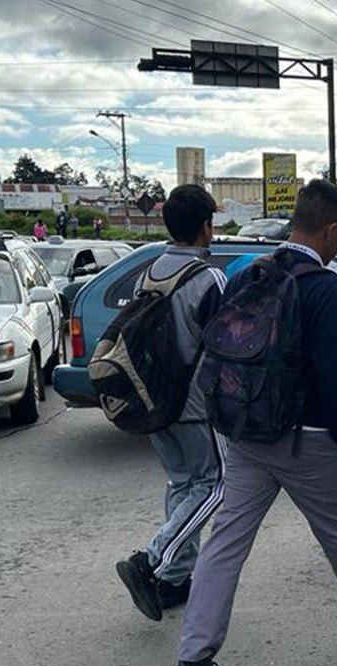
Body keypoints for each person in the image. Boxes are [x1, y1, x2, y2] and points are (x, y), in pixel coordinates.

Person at [169, 180, 337, 666]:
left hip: (245, 431)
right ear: (330, 229)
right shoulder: (324, 288)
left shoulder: (248, 273)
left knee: (225, 543)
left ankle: (193, 660)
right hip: (306, 437)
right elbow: (333, 372)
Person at [115, 185, 228, 622]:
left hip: (154, 397)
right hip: (196, 402)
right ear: (205, 227)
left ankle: (174, 579)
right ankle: (151, 559)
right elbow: (221, 345)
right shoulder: (208, 278)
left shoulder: (152, 270)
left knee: (182, 484)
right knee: (216, 484)